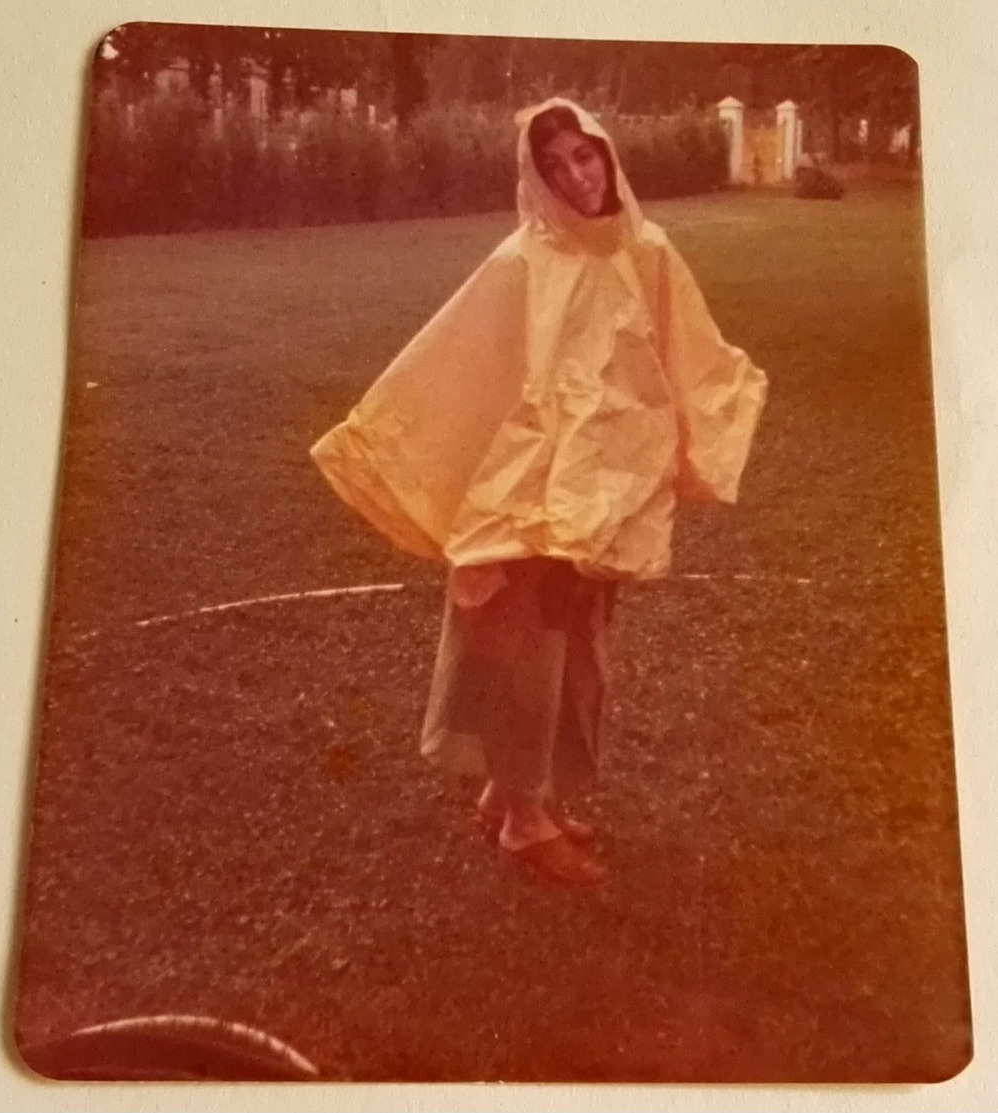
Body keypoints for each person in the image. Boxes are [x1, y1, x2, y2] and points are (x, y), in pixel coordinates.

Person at [311, 98, 768, 886]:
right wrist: (394, 443)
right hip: (528, 489)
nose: (576, 176)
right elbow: (454, 361)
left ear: (607, 151)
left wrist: (716, 408)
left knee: (578, 638)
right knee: (526, 647)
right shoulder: (520, 262)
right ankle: (526, 823)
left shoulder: (647, 250)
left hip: (607, 487)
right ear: (537, 179)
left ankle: (507, 792)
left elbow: (685, 347)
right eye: (554, 167)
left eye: (584, 156)